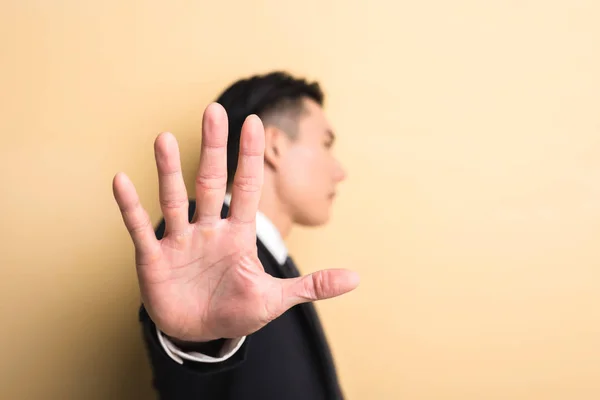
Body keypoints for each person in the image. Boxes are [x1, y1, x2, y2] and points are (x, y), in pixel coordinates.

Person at [112, 71, 360, 400]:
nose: (340, 172)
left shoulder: (275, 262)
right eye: (326, 144)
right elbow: (194, 340)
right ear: (274, 146)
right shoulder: (190, 242)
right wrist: (196, 340)